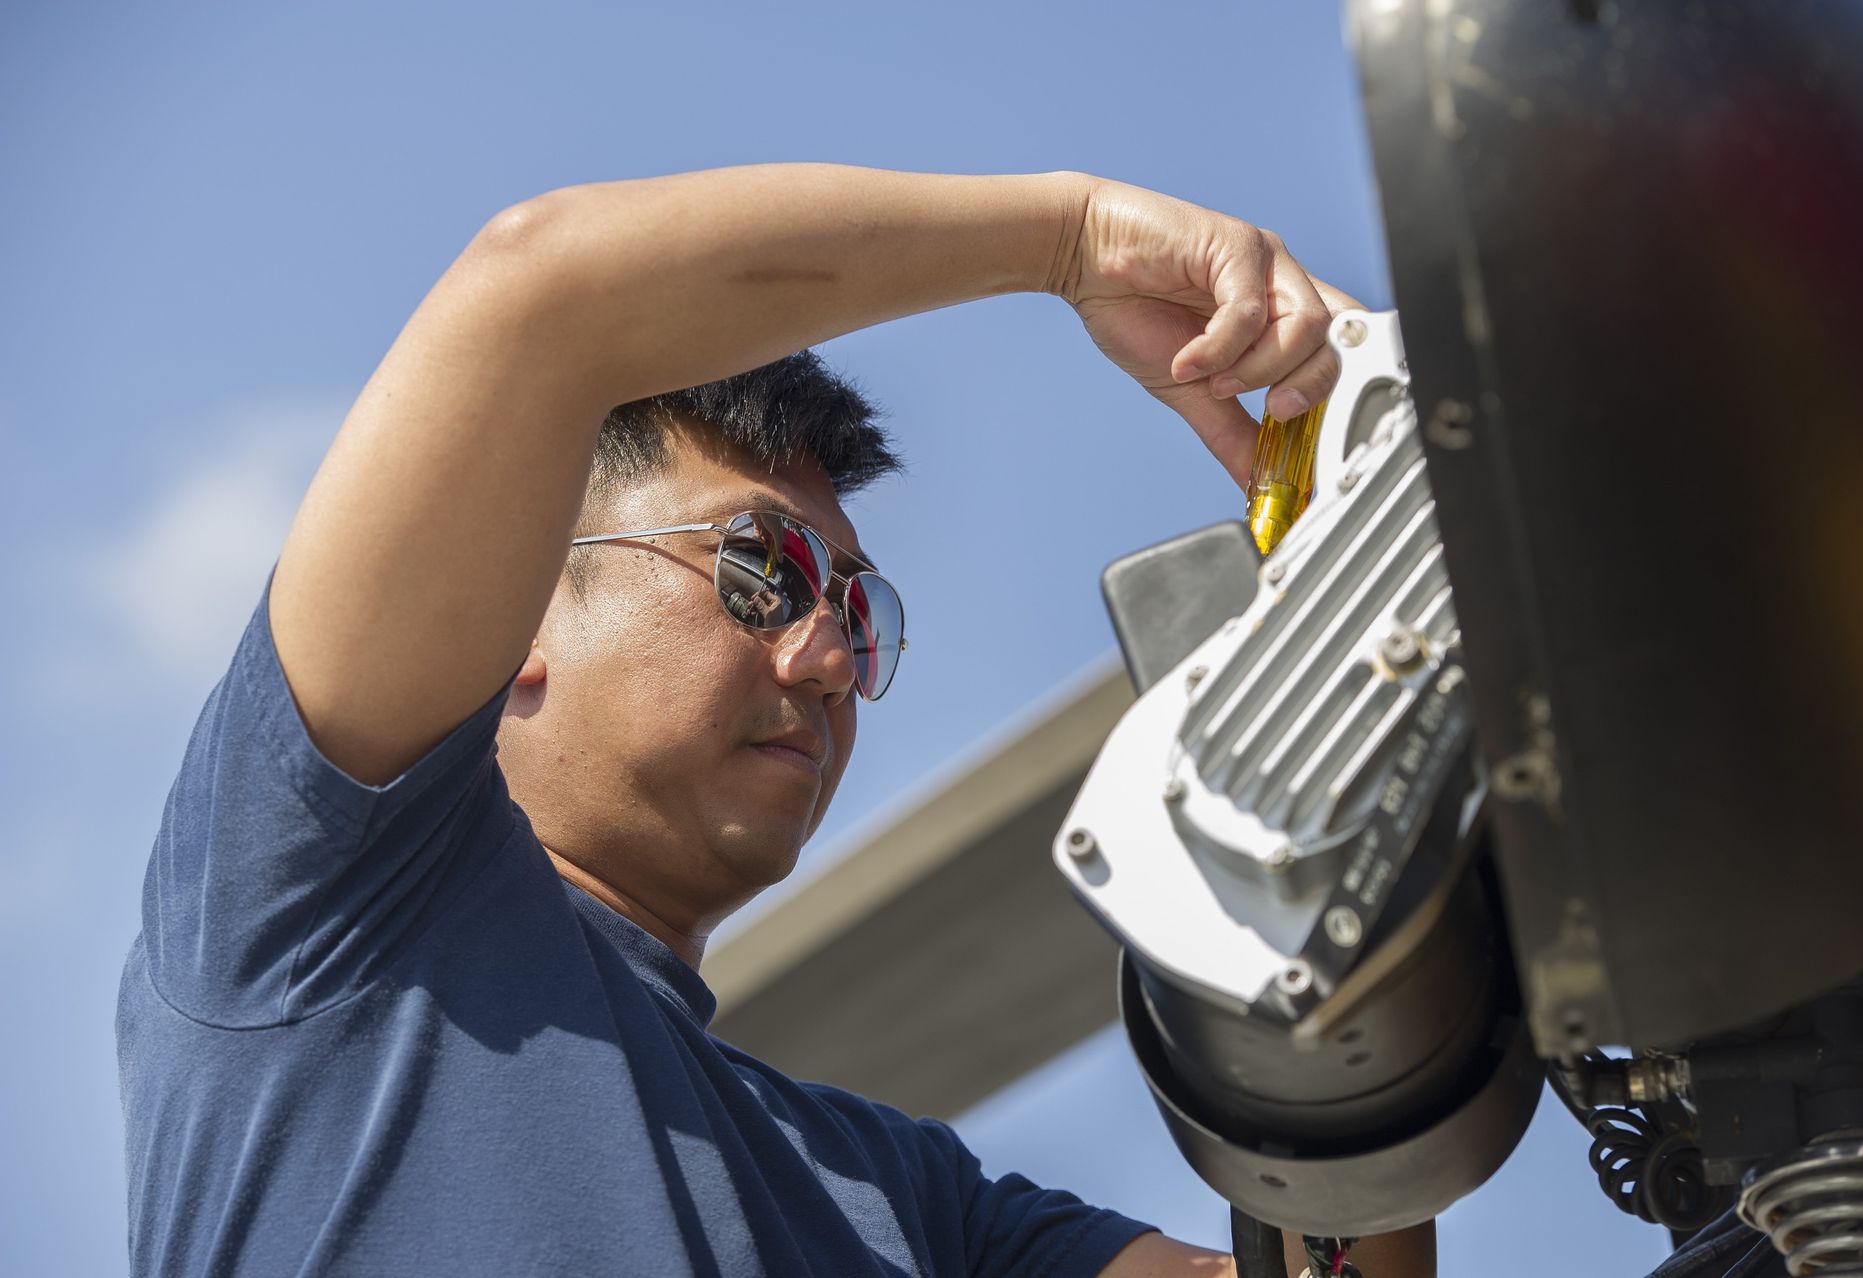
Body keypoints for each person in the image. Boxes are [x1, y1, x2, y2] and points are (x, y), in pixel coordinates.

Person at [117, 165, 1436, 1277]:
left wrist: (1354, 829)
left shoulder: (904, 1202)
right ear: (519, 608)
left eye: (859, 613)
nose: (822, 656)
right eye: (762, 570)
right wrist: (1070, 238)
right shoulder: (322, 894)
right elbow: (541, 290)